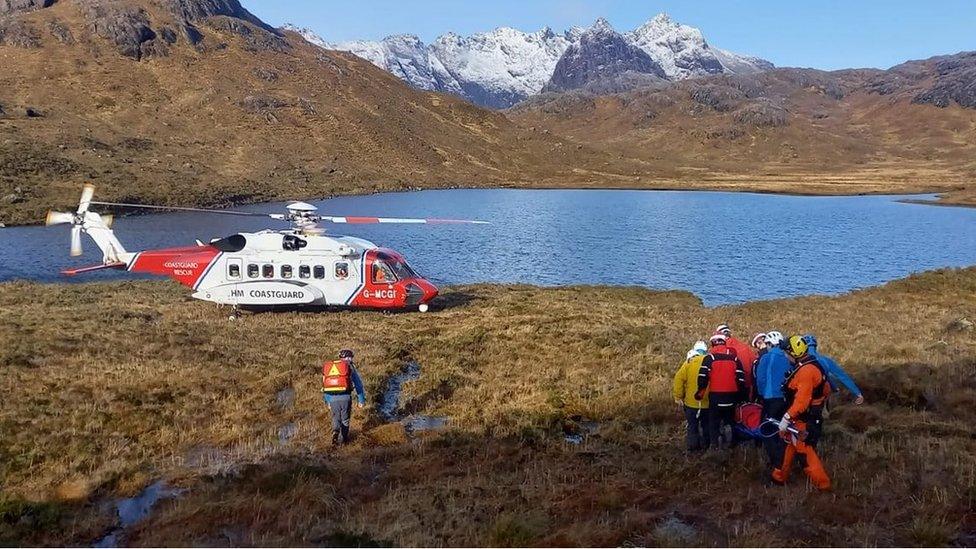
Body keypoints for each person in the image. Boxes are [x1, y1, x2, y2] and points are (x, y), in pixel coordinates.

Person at [772, 336, 831, 491]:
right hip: (802, 417)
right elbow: (826, 389)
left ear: (794, 353)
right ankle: (778, 477)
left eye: (786, 352)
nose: (785, 356)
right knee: (787, 447)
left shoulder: (806, 371)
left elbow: (802, 402)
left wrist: (787, 417)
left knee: (805, 453)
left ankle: (823, 485)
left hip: (804, 419)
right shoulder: (810, 364)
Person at [696, 333, 746, 450]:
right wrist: (740, 395)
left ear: (713, 344)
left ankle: (714, 444)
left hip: (715, 395)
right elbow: (741, 379)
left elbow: (702, 377)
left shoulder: (710, 358)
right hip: (732, 395)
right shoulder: (735, 359)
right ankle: (731, 442)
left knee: (713, 421)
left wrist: (700, 392)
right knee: (730, 419)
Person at [754, 331, 791, 469]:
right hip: (785, 399)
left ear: (770, 344)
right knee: (784, 429)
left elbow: (761, 379)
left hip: (770, 399)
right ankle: (786, 457)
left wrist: (761, 395)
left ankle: (777, 463)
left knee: (767, 429)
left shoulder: (765, 358)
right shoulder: (788, 357)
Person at [802, 334, 865, 406]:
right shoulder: (826, 360)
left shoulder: (798, 361)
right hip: (821, 397)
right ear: (815, 346)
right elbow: (843, 377)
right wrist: (857, 393)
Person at [322, 349, 366, 445]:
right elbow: (358, 385)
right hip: (346, 397)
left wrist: (328, 401)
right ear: (349, 358)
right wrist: (361, 400)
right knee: (345, 419)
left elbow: (325, 386)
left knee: (336, 417)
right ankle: (345, 440)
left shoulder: (330, 369)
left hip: (332, 399)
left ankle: (335, 433)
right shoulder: (350, 367)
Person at [672, 341, 710, 452]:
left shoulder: (689, 363)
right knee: (706, 426)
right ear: (705, 350)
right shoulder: (710, 362)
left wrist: (678, 396)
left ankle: (693, 449)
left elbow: (678, 379)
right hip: (707, 403)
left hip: (691, 403)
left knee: (692, 426)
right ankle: (707, 448)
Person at [716, 324, 757, 399]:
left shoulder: (721, 350)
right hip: (747, 385)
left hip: (728, 388)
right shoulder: (744, 347)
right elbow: (755, 363)